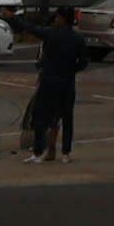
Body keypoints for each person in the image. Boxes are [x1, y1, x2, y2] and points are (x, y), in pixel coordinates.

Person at [24, 20, 86, 162]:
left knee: (46, 116)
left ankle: (43, 151)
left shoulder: (51, 37)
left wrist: (42, 65)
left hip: (49, 80)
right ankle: (63, 152)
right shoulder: (75, 38)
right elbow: (83, 62)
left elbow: (43, 59)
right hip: (64, 81)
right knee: (64, 117)